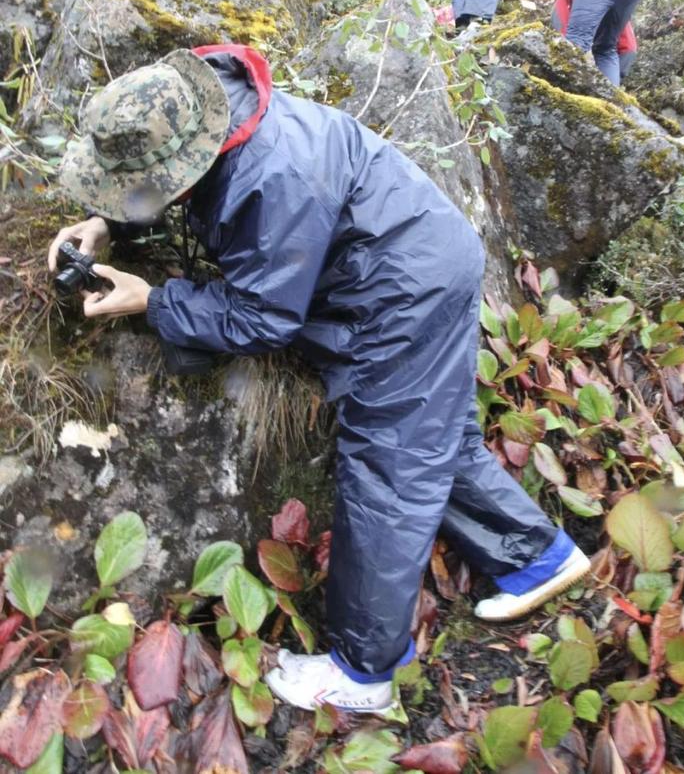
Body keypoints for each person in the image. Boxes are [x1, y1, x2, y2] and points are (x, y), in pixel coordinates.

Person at [49, 44, 590, 713]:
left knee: (388, 458)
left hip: (402, 291)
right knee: (428, 434)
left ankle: (363, 673)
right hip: (418, 253)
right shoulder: (217, 113)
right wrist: (106, 219)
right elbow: (181, 182)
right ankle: (539, 557)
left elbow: (261, 318)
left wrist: (153, 301)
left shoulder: (272, 179)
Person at [552, 0, 644, 86]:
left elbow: (565, 37)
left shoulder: (563, 0)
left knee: (577, 39)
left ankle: (561, 90)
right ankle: (610, 102)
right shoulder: (602, 8)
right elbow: (629, 46)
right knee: (605, 48)